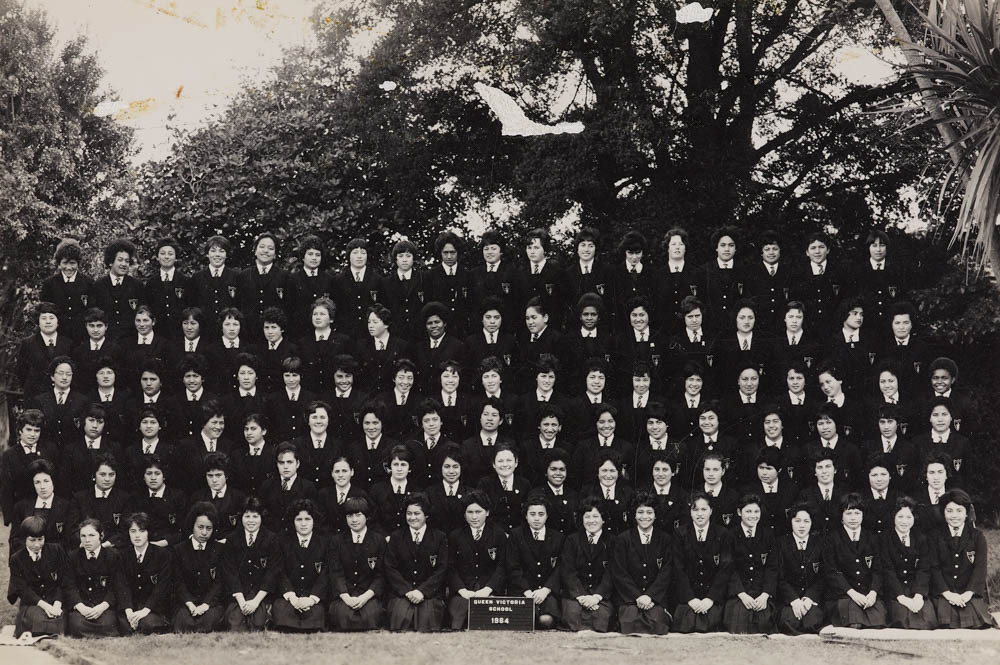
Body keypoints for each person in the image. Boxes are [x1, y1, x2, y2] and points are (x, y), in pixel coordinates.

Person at [929, 488, 995, 629]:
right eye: (949, 511)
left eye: (959, 511)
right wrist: (947, 594)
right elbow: (934, 568)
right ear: (943, 513)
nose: (954, 515)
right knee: (943, 619)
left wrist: (968, 593)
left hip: (968, 592)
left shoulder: (977, 537)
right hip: (944, 593)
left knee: (976, 620)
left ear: (966, 513)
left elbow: (980, 568)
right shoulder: (934, 536)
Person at [384, 492, 448, 632]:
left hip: (429, 593)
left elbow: (442, 569)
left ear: (426, 515)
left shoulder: (439, 537)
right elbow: (390, 568)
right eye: (409, 513)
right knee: (399, 620)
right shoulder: (396, 537)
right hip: (403, 592)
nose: (412, 517)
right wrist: (407, 591)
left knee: (427, 622)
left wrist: (422, 591)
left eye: (417, 513)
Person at [610, 491, 673, 635]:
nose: (645, 516)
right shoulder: (623, 539)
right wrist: (638, 596)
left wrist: (650, 596)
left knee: (656, 623)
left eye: (649, 512)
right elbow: (620, 572)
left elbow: (666, 572)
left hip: (654, 598)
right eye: (640, 512)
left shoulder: (665, 539)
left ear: (656, 515)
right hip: (630, 598)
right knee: (630, 623)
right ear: (634, 514)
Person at [822, 492, 887, 628]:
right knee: (854, 622)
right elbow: (832, 572)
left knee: (877, 624)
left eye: (857, 513)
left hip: (867, 593)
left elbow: (878, 569)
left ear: (863, 515)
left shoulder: (872, 538)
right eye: (848, 513)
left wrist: (873, 592)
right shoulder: (832, 539)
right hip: (843, 594)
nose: (853, 518)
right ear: (841, 516)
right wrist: (852, 593)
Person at [672, 491, 733, 633]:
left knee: (712, 624)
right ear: (690, 511)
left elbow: (725, 569)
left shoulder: (722, 534)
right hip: (688, 597)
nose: (700, 514)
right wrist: (690, 599)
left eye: (704, 509)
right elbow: (678, 569)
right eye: (695, 510)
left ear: (711, 511)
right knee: (686, 623)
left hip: (712, 598)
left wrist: (710, 599)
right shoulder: (680, 534)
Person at [446, 490, 507, 630]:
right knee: (457, 623)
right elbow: (450, 567)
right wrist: (462, 590)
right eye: (470, 512)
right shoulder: (455, 536)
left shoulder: (498, 534)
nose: (474, 516)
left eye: (478, 512)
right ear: (464, 514)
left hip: (488, 590)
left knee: (488, 621)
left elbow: (502, 566)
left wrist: (488, 589)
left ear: (487, 512)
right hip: (464, 591)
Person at [221, 496, 283, 631]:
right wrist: (242, 601)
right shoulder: (232, 539)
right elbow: (230, 571)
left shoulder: (272, 539)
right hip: (239, 595)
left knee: (258, 622)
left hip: (260, 595)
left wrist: (255, 601)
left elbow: (273, 572)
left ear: (262, 517)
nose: (251, 521)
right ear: (241, 517)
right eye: (247, 516)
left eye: (255, 516)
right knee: (235, 623)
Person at [328, 496, 386, 631]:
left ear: (367, 516)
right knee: (341, 615)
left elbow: (381, 575)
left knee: (370, 616)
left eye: (358, 515)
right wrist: (346, 597)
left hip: (368, 594)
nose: (354, 520)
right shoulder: (336, 541)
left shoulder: (379, 540)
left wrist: (366, 597)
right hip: (345, 594)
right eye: (349, 516)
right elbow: (336, 573)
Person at [507, 495, 565, 629]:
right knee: (525, 620)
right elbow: (513, 567)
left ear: (547, 516)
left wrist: (545, 590)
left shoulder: (558, 538)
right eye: (532, 514)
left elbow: (560, 568)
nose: (537, 518)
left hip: (547, 591)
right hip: (523, 590)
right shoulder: (516, 535)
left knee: (547, 621)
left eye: (541, 514)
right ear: (526, 516)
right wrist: (527, 591)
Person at [723, 493, 778, 634]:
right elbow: (729, 568)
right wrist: (741, 594)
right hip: (739, 594)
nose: (752, 515)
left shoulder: (768, 534)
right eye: (748, 511)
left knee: (764, 621)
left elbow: (772, 567)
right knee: (739, 618)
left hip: (761, 593)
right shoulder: (730, 535)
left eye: (756, 511)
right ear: (739, 512)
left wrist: (765, 595)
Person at [6, 515, 69, 637]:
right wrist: (44, 605)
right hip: (33, 602)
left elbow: (64, 580)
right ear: (24, 539)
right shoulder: (17, 559)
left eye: (40, 539)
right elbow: (22, 589)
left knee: (61, 619)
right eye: (32, 540)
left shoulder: (56, 551)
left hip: (54, 600)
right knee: (37, 620)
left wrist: (57, 603)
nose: (36, 545)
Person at [272, 499, 329, 632]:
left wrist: (312, 599)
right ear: (293, 521)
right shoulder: (282, 542)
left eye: (307, 519)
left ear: (314, 520)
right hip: (290, 597)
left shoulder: (325, 542)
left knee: (316, 617)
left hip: (313, 598)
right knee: (283, 615)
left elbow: (326, 573)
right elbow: (279, 572)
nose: (303, 524)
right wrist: (292, 597)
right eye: (299, 519)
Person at [881, 496, 937, 629]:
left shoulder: (921, 538)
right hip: (895, 590)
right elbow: (887, 570)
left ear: (914, 518)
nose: (904, 521)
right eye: (900, 517)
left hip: (915, 588)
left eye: (908, 517)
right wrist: (902, 597)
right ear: (893, 517)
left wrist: (918, 595)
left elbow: (924, 569)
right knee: (901, 619)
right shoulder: (884, 538)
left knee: (928, 620)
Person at [559, 497, 614, 632]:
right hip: (577, 595)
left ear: (603, 519)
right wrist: (581, 596)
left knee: (600, 618)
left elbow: (612, 572)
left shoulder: (613, 541)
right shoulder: (572, 540)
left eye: (596, 516)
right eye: (587, 516)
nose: (591, 521)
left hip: (600, 596)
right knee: (573, 616)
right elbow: (568, 571)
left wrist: (596, 597)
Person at [171, 501, 226, 632]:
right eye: (200, 527)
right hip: (186, 602)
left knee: (209, 622)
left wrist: (206, 604)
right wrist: (190, 604)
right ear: (192, 526)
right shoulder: (179, 550)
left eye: (209, 528)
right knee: (183, 622)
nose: (204, 532)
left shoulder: (220, 549)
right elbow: (178, 582)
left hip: (211, 603)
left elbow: (220, 582)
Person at [64, 517, 122, 637]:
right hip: (82, 605)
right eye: (83, 536)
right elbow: (70, 586)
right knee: (77, 625)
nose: (87, 540)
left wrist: (102, 607)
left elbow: (116, 586)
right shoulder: (72, 557)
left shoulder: (113, 556)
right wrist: (81, 607)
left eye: (91, 535)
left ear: (101, 536)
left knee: (108, 623)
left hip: (103, 606)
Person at [118, 512, 172, 634]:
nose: (137, 536)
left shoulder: (162, 554)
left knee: (147, 624)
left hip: (153, 607)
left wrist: (146, 610)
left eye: (142, 531)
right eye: (133, 531)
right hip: (132, 606)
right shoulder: (122, 556)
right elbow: (122, 585)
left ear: (149, 532)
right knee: (124, 625)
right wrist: (129, 611)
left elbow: (162, 587)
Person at [776, 502, 826, 634]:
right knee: (789, 622)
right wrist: (794, 600)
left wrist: (809, 598)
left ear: (811, 523)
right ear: (791, 522)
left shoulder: (820, 543)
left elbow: (823, 576)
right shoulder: (781, 543)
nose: (802, 525)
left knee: (812, 623)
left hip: (811, 599)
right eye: (797, 521)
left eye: (806, 521)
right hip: (789, 599)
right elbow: (779, 577)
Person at [8, 459, 71, 555]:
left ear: (53, 482)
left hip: (56, 561)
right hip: (28, 560)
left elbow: (68, 541)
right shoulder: (21, 507)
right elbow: (14, 540)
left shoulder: (66, 506)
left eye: (46, 481)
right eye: (37, 482)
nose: (42, 486)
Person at [317, 456, 370, 537]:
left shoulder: (360, 494)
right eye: (337, 471)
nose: (340, 475)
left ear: (352, 472)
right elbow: (320, 522)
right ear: (332, 473)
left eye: (344, 471)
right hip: (328, 540)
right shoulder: (323, 494)